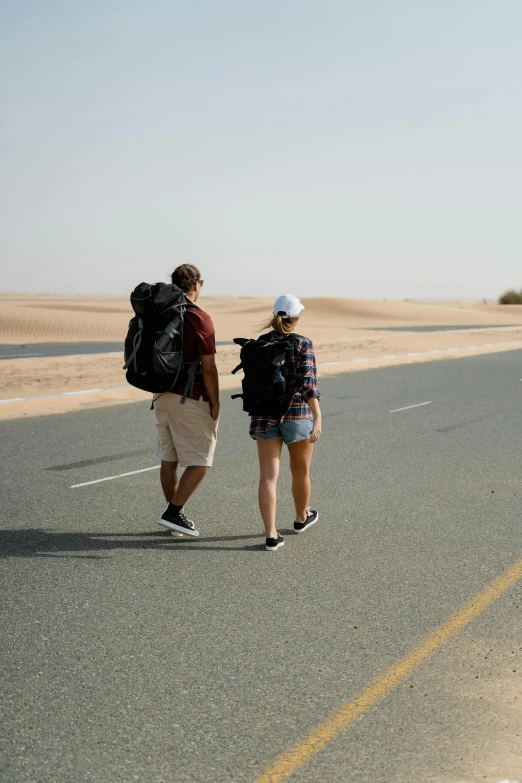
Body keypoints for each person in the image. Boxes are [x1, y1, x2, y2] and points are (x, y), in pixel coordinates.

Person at [250, 295, 322, 551]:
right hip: (296, 415)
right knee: (300, 471)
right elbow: (308, 383)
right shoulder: (302, 342)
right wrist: (318, 416)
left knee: (268, 477)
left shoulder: (259, 343)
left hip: (263, 415)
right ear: (296, 317)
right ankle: (301, 519)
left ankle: (271, 536)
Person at [155, 264, 220, 538]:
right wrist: (215, 402)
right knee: (200, 461)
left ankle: (174, 517)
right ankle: (173, 512)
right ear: (196, 285)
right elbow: (209, 368)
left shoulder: (159, 314)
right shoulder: (199, 318)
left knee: (169, 458)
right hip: (190, 397)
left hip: (160, 394)